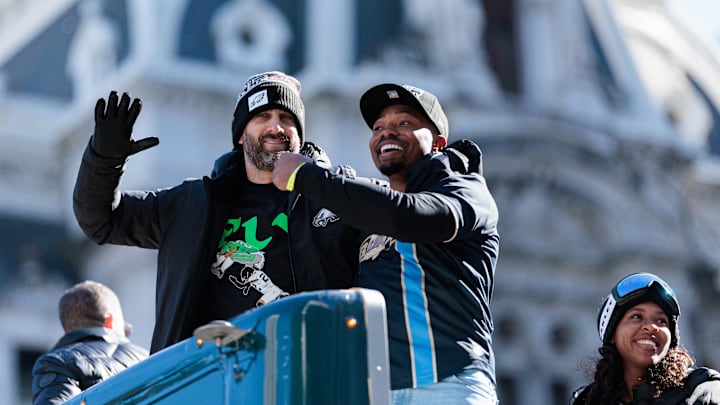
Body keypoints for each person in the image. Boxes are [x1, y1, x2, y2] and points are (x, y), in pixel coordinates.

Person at [73, 71, 359, 353]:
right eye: (262, 117)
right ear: (239, 135)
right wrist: (104, 159)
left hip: (305, 375)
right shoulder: (192, 205)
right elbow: (101, 219)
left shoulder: (334, 199)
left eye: (286, 118)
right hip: (209, 383)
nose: (276, 127)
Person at [272, 83, 500, 404]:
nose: (386, 133)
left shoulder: (465, 190)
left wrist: (309, 178)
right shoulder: (370, 216)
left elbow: (409, 216)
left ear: (438, 142)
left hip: (448, 383)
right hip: (377, 393)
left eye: (404, 123)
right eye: (378, 127)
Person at [570, 272, 720, 404]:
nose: (652, 326)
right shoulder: (587, 401)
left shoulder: (704, 392)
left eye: (661, 321)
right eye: (637, 316)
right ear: (612, 335)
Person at [31, 280, 148, 405]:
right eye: (126, 328)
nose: (127, 333)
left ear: (65, 331)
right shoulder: (148, 356)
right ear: (109, 321)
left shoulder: (57, 363)